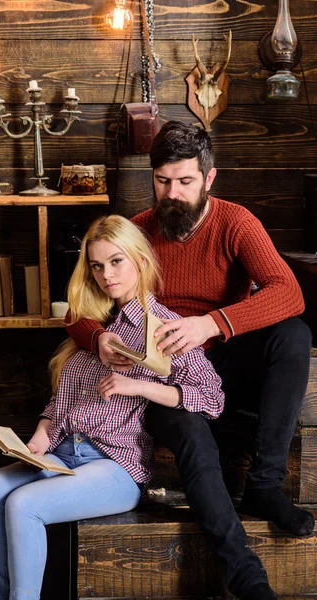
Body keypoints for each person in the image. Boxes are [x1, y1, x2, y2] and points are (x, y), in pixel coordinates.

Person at [66, 121, 313, 600]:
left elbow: (290, 293)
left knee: (293, 334)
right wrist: (96, 338)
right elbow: (77, 309)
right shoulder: (135, 230)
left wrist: (211, 324)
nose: (173, 193)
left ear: (209, 177)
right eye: (162, 181)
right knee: (193, 436)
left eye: (185, 181)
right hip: (162, 375)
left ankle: (265, 484)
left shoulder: (236, 222)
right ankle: (244, 574)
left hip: (223, 357)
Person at [0, 214, 224, 600]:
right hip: (60, 454)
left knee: (24, 504)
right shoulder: (94, 327)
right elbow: (61, 402)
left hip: (114, 467)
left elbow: (211, 397)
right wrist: (40, 438)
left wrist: (138, 385)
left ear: (140, 259)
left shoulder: (165, 329)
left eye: (116, 261)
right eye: (97, 265)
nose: (107, 274)